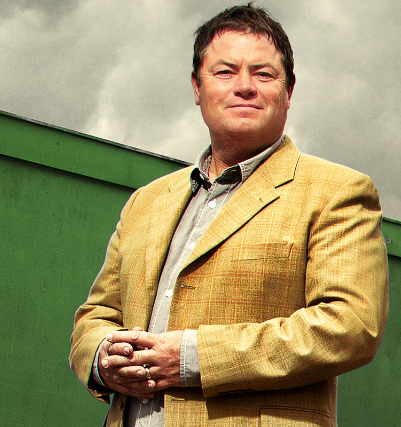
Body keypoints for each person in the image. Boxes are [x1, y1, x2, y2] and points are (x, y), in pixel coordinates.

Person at [70, 4, 388, 426]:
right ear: (197, 87)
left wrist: (192, 358)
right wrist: (101, 357)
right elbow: (96, 315)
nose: (245, 87)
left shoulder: (338, 192)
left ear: (289, 91)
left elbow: (349, 326)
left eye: (264, 74)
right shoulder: (146, 201)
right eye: (225, 72)